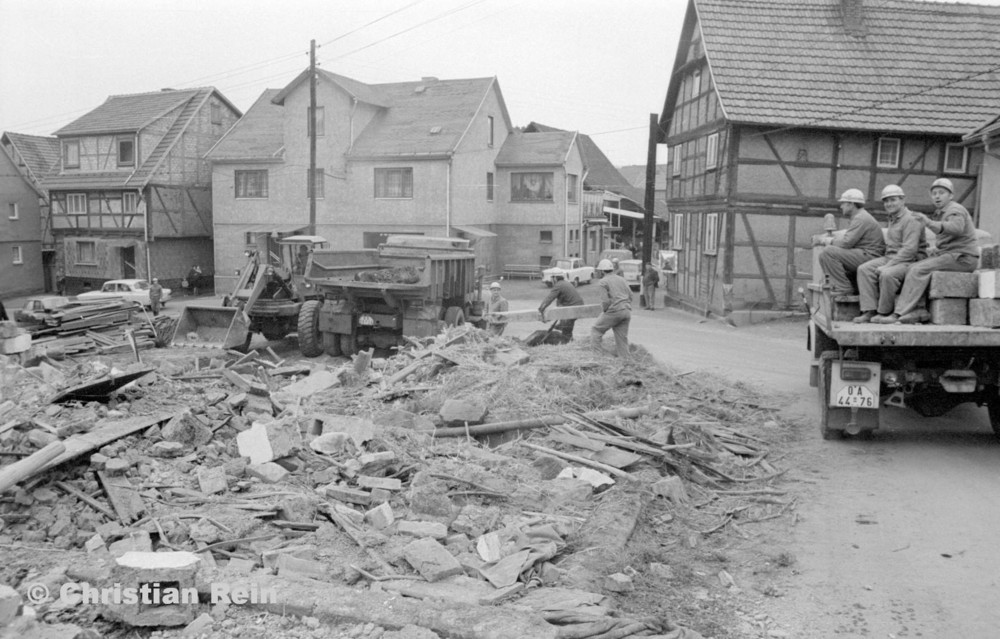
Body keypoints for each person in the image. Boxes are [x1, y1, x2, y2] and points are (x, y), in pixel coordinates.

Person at [876, 178, 979, 324]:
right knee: (914, 267)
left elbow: (956, 229)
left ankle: (900, 313)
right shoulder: (942, 212)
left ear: (951, 196)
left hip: (963, 258)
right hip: (952, 255)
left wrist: (928, 222)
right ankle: (918, 309)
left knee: (918, 269)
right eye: (934, 193)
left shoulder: (954, 210)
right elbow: (948, 240)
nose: (937, 196)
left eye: (941, 193)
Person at [854, 185, 927, 324]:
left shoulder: (911, 219)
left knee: (887, 274)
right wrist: (887, 262)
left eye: (893, 200)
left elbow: (909, 250)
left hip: (911, 261)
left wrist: (888, 265)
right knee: (864, 269)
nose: (889, 204)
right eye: (886, 201)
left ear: (902, 200)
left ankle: (884, 312)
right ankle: (870, 311)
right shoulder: (893, 218)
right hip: (892, 258)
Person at [816, 188, 886, 296]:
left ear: (851, 204)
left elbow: (846, 243)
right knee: (832, 252)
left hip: (870, 256)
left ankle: (843, 288)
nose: (841, 206)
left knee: (827, 252)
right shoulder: (861, 217)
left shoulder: (860, 218)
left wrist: (825, 240)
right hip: (868, 255)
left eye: (843, 203)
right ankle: (848, 286)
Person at [591, 259, 632, 358]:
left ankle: (597, 358)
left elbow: (605, 301)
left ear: (601, 271)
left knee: (596, 330)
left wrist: (605, 312)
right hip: (626, 311)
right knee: (621, 339)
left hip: (615, 311)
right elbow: (630, 295)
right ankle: (626, 362)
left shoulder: (603, 282)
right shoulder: (622, 279)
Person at [538, 271, 584, 339]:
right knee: (566, 325)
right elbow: (559, 303)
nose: (551, 280)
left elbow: (550, 298)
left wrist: (541, 309)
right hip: (577, 306)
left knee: (566, 331)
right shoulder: (565, 283)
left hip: (572, 308)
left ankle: (567, 340)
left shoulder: (558, 285)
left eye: (552, 278)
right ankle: (562, 327)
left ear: (555, 278)